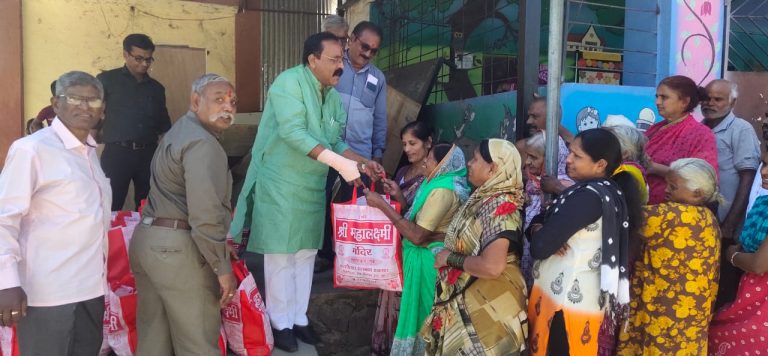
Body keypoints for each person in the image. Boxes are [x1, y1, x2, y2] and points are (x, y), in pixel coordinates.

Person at [229, 32, 384, 352]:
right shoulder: (288, 84)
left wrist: (362, 162)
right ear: (312, 60)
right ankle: (280, 321)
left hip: (311, 185)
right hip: (281, 183)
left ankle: (299, 317)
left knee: (305, 254)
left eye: (341, 59)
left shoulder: (331, 94)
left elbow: (336, 141)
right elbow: (294, 134)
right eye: (334, 59)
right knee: (280, 256)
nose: (340, 65)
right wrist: (340, 165)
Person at [0, 71, 111, 355]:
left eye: (93, 100)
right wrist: (7, 282)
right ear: (55, 103)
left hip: (90, 290)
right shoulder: (32, 149)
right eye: (74, 97)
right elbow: (5, 218)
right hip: (47, 294)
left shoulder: (88, 154)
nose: (85, 106)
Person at [128, 73, 237, 355]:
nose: (228, 107)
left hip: (149, 241)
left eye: (232, 102)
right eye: (219, 99)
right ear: (195, 101)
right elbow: (205, 214)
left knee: (154, 340)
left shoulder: (177, 132)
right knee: (197, 343)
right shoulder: (203, 143)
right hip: (178, 250)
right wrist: (221, 267)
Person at [527, 128, 640, 355]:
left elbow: (540, 246)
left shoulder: (589, 196)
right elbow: (542, 228)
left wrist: (541, 230)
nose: (568, 159)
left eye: (577, 156)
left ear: (600, 164)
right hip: (578, 301)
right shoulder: (605, 191)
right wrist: (541, 228)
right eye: (570, 152)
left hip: (564, 305)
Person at [421, 139, 529, 355]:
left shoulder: (501, 207)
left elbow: (492, 266)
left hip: (490, 307)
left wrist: (449, 258)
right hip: (476, 299)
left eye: (476, 159)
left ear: (493, 168)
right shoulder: (484, 199)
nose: (469, 163)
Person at [365, 143, 469, 355]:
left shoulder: (442, 190)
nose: (424, 161)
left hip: (429, 266)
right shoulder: (437, 183)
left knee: (424, 319)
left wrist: (383, 206)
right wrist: (399, 199)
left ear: (442, 164)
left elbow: (417, 234)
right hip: (428, 258)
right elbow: (422, 222)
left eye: (429, 158)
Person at [618, 158, 722, 355]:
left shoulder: (672, 215)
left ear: (696, 193)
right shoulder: (709, 218)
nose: (666, 190)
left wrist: (561, 189)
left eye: (673, 187)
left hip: (663, 312)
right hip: (692, 317)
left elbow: (622, 215)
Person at [319, 21, 388, 266]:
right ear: (352, 39)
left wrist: (377, 153)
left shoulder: (377, 78)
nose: (367, 54)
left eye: (374, 51)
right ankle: (326, 254)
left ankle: (349, 258)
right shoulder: (334, 66)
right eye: (364, 46)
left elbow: (379, 118)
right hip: (328, 149)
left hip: (360, 155)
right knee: (324, 201)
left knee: (353, 206)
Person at [371, 120, 432, 356]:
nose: (407, 149)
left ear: (428, 142)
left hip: (415, 247)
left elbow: (420, 223)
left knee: (409, 300)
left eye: (412, 143)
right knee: (392, 297)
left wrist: (398, 202)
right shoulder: (404, 172)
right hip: (394, 246)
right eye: (404, 144)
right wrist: (394, 194)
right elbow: (403, 210)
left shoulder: (432, 176)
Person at [701, 79, 761, 308]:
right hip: (705, 223)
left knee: (723, 291)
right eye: (707, 98)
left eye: (718, 99)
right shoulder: (701, 126)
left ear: (732, 102)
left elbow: (748, 176)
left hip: (726, 224)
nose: (710, 103)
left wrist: (730, 223)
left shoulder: (740, 129)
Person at [98, 33, 171, 211]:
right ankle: (107, 238)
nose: (144, 64)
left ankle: (144, 238)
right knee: (110, 204)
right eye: (139, 58)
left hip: (148, 154)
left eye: (148, 59)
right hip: (117, 153)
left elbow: (164, 126)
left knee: (148, 206)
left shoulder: (156, 89)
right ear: (125, 54)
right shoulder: (106, 81)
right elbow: (94, 115)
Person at [709, 153, 768, 354]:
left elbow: (759, 264)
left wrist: (732, 256)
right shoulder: (764, 203)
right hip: (750, 295)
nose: (764, 172)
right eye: (765, 164)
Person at [644, 75, 718, 205]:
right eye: (657, 97)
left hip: (677, 212)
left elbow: (702, 179)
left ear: (684, 102)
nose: (657, 102)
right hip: (646, 207)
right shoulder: (655, 129)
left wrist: (655, 168)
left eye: (664, 97)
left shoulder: (701, 134)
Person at [522, 131, 573, 290]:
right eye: (528, 156)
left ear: (553, 158)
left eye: (534, 157)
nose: (528, 162)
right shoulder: (533, 183)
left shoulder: (564, 185)